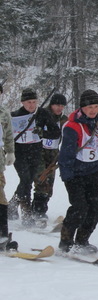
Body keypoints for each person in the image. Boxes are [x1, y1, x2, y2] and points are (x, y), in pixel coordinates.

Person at [57, 89, 98, 253]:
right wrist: (67, 177)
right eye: (89, 107)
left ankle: (82, 240)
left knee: (96, 207)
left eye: (96, 106)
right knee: (79, 207)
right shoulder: (72, 127)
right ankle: (65, 241)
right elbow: (65, 155)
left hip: (93, 170)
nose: (93, 110)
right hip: (75, 173)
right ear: (81, 108)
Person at [8, 88, 61, 227]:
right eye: (28, 102)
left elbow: (56, 132)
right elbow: (7, 134)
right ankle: (26, 214)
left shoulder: (42, 113)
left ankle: (13, 204)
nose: (31, 105)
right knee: (25, 180)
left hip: (36, 153)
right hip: (19, 153)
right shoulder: (15, 115)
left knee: (29, 182)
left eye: (34, 102)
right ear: (22, 102)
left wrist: (42, 133)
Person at [32, 93, 68, 226]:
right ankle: (38, 211)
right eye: (57, 105)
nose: (60, 108)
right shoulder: (42, 115)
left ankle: (41, 207)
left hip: (53, 154)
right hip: (39, 151)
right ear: (51, 105)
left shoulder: (64, 119)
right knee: (42, 180)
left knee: (50, 184)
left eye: (62, 106)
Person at [0, 82, 17, 249]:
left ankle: (2, 234)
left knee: (1, 196)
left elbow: (8, 134)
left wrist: (10, 151)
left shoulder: (3, 112)